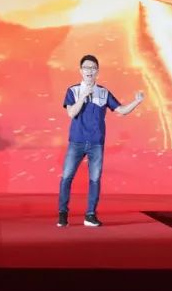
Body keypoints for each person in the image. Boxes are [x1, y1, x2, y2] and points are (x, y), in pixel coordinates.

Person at [57, 54, 144, 228]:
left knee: (95, 179)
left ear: (97, 71)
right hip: (76, 142)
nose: (89, 71)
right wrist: (83, 96)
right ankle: (63, 213)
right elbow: (71, 113)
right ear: (81, 71)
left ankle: (90, 215)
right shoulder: (73, 90)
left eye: (93, 68)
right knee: (67, 177)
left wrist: (137, 101)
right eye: (86, 68)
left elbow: (122, 110)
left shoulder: (104, 93)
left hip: (96, 143)